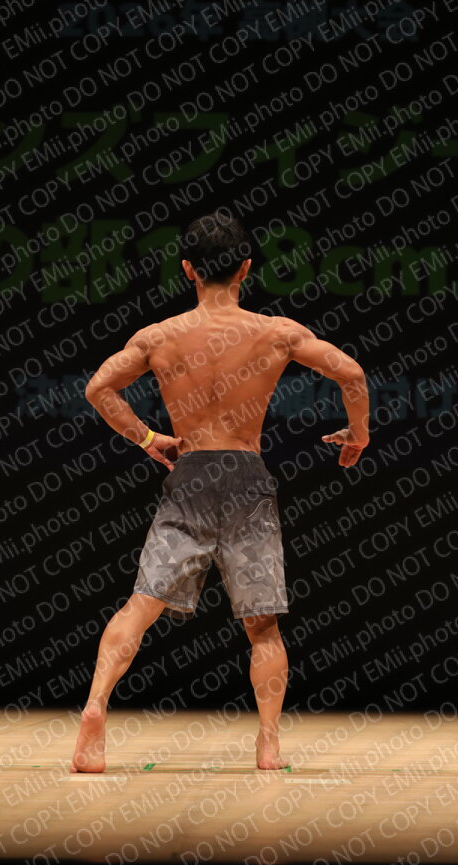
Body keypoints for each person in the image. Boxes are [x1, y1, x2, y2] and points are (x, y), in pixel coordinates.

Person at [71, 210, 370, 772]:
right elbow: (351, 374)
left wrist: (148, 438)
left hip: (189, 475)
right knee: (263, 625)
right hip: (245, 479)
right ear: (246, 268)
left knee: (141, 604)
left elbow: (99, 388)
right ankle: (268, 743)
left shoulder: (159, 336)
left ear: (188, 269)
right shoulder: (276, 332)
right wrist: (359, 434)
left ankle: (95, 707)